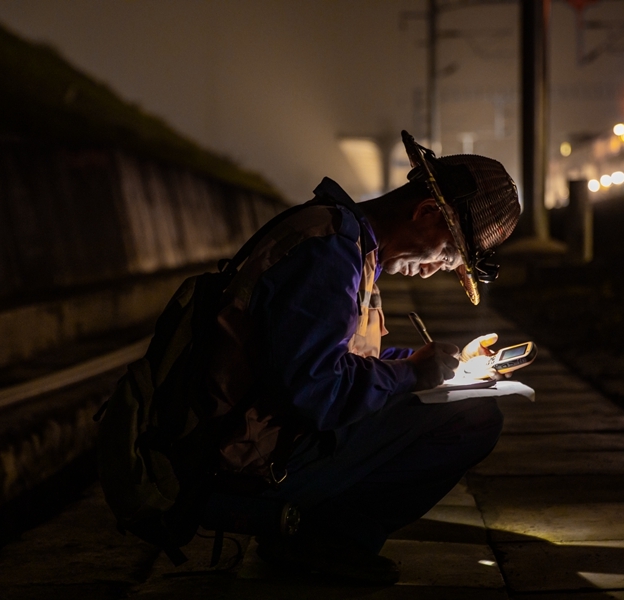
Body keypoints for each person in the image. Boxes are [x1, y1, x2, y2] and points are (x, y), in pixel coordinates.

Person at [198, 131, 521, 584]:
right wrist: (411, 374)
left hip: (261, 441)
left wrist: (436, 364)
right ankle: (322, 539)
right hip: (252, 464)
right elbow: (318, 391)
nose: (432, 270)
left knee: (461, 399)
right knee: (475, 416)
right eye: (447, 255)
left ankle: (316, 532)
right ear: (426, 212)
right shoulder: (329, 255)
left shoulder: (344, 242)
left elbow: (334, 358)